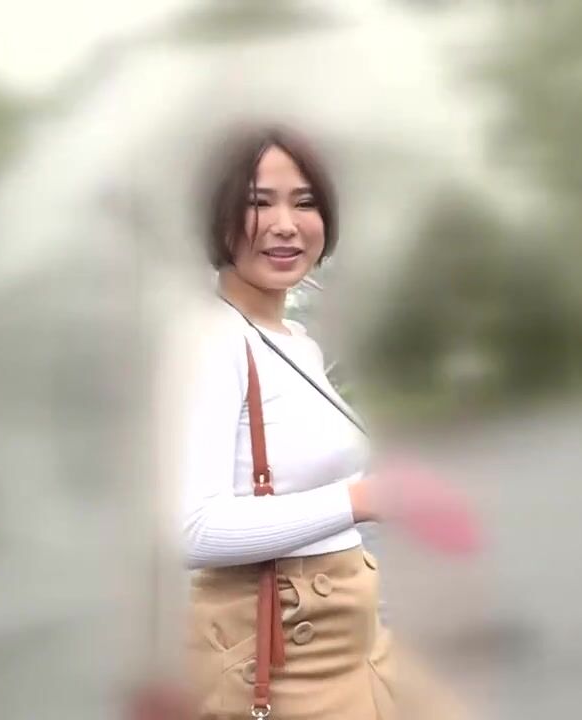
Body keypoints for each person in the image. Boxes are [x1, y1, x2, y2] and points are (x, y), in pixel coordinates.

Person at [180, 123, 473, 719]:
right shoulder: (211, 341)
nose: (286, 224)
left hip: (348, 628)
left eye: (305, 202)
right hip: (284, 647)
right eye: (259, 202)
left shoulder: (294, 339)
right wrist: (363, 498)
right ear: (216, 216)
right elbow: (194, 530)